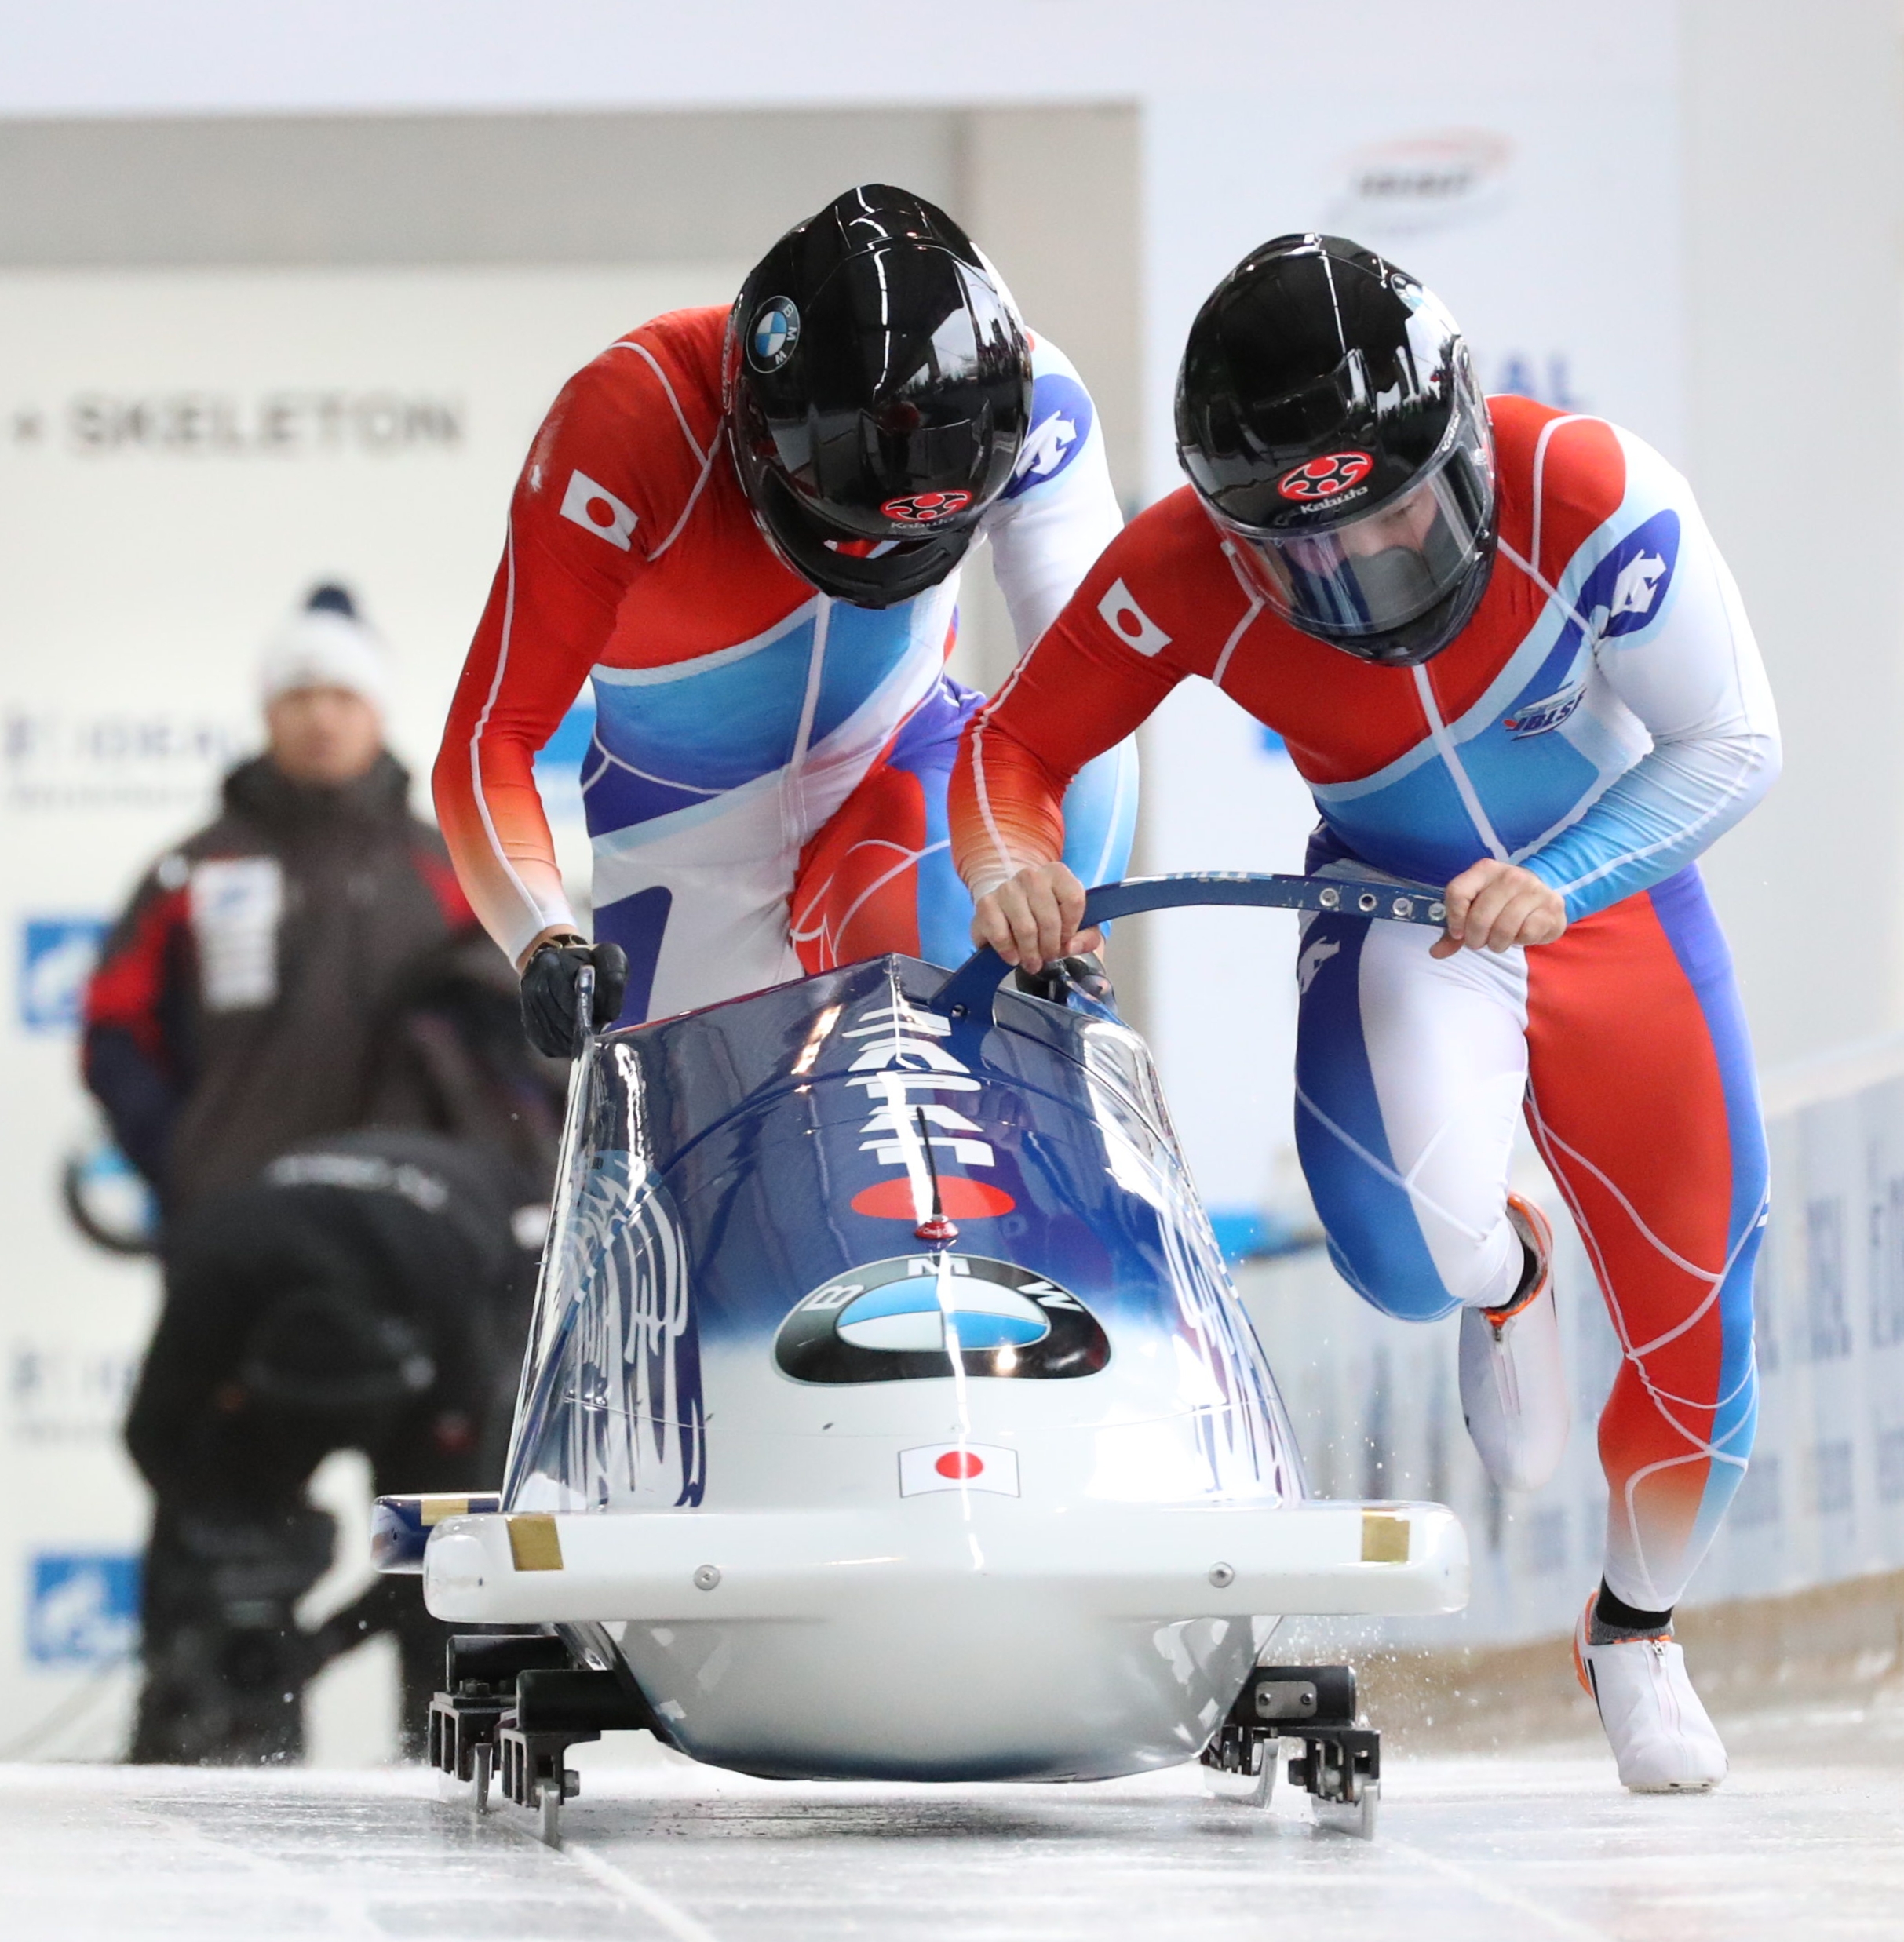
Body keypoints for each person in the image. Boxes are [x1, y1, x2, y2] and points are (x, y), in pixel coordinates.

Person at [952, 235, 1778, 1793]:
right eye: (1298, 551)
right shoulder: (1175, 568)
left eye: (1391, 520)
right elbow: (1010, 751)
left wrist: (1569, 869)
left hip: (1608, 910)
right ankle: (1509, 1272)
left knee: (1696, 1308)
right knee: (1408, 1257)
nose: (1356, 572)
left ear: (1458, 449)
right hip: (1402, 910)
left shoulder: (1593, 495)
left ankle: (1637, 1630)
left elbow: (1730, 740)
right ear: (1230, 529)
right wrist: (1012, 870)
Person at [432, 184, 1136, 1057]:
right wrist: (541, 936)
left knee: (956, 996)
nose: (869, 563)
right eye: (846, 525)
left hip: (899, 772)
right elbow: (491, 735)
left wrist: (1047, 901)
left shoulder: (1039, 402)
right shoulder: (624, 429)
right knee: (690, 1173)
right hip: (681, 848)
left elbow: (1090, 696)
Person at [124, 1123, 547, 1763]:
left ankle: (453, 1751)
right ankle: (191, 1724)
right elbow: (154, 1433)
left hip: (468, 1256)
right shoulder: (218, 1264)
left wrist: (320, 1645)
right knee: (194, 1514)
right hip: (298, 1273)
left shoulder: (458, 1337)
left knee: (453, 1569)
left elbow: (447, 1550)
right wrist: (237, 1543)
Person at [82, 584, 474, 1219]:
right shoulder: (189, 871)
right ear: (267, 712)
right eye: (298, 695)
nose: (321, 717)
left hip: (413, 1218)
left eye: (343, 696)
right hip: (232, 1214)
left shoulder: (453, 870)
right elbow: (113, 1028)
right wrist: (179, 1159)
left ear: (378, 711)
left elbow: (510, 1037)